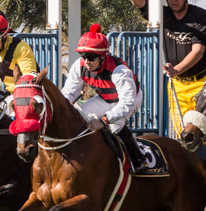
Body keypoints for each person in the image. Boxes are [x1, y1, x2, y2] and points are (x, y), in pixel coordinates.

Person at [111, 0, 206, 135]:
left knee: (202, 131)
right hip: (178, 84)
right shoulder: (163, 14)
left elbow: (198, 50)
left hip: (200, 83)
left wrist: (176, 69)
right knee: (181, 132)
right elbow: (140, 3)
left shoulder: (200, 16)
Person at [60, 24, 148, 173]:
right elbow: (69, 92)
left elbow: (127, 103)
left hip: (129, 100)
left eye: (91, 57)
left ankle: (138, 159)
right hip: (104, 99)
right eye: (83, 56)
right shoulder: (79, 66)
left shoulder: (119, 70)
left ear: (102, 57)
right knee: (81, 117)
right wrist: (63, 107)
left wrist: (103, 121)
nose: (86, 61)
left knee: (115, 126)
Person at [0, 8, 38, 96]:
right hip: (10, 94)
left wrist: (7, 91)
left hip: (30, 92)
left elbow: (28, 79)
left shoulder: (21, 48)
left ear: (5, 35)